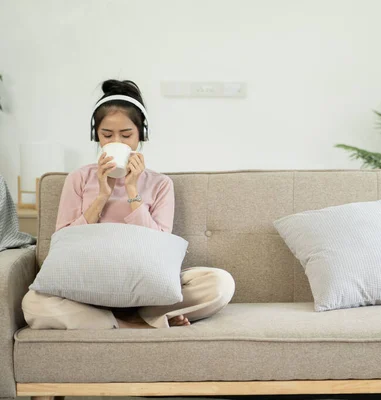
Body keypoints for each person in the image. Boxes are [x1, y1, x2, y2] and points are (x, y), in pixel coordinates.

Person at [21, 79, 235, 329]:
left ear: (141, 134)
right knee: (33, 303)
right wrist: (102, 195)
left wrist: (132, 190)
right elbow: (64, 240)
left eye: (126, 135)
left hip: (147, 285)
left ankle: (135, 314)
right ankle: (132, 323)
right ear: (95, 135)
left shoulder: (160, 184)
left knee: (220, 282)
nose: (117, 142)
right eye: (107, 135)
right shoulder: (79, 178)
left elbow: (160, 245)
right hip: (88, 286)